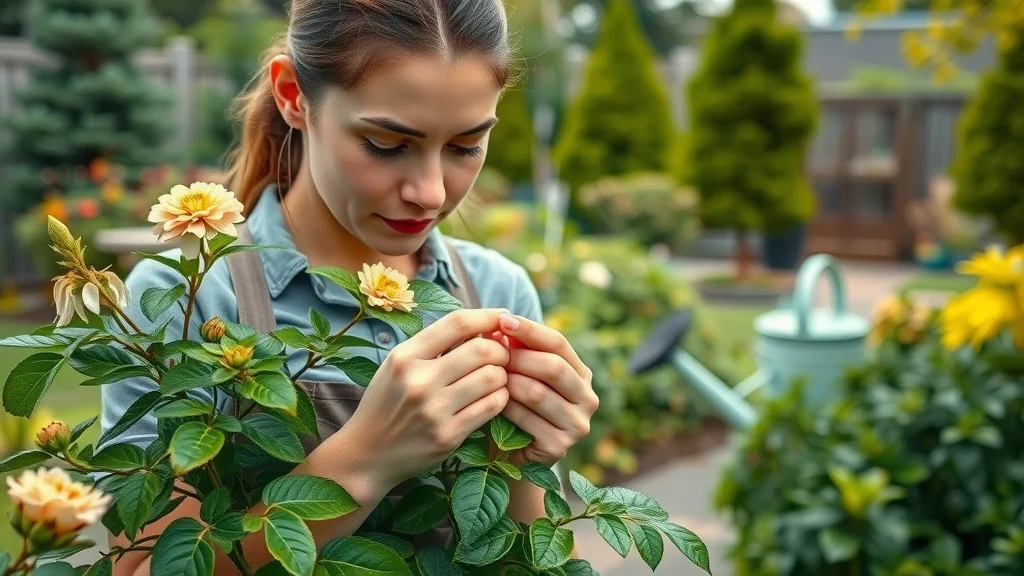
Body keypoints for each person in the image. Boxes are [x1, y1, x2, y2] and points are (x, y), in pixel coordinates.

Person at [101, 0, 599, 573]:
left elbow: (532, 556)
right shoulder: (191, 296)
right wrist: (366, 459)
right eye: (386, 145)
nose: (431, 193)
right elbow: (135, 567)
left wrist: (526, 458)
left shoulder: (495, 290)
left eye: (465, 146)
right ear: (293, 96)